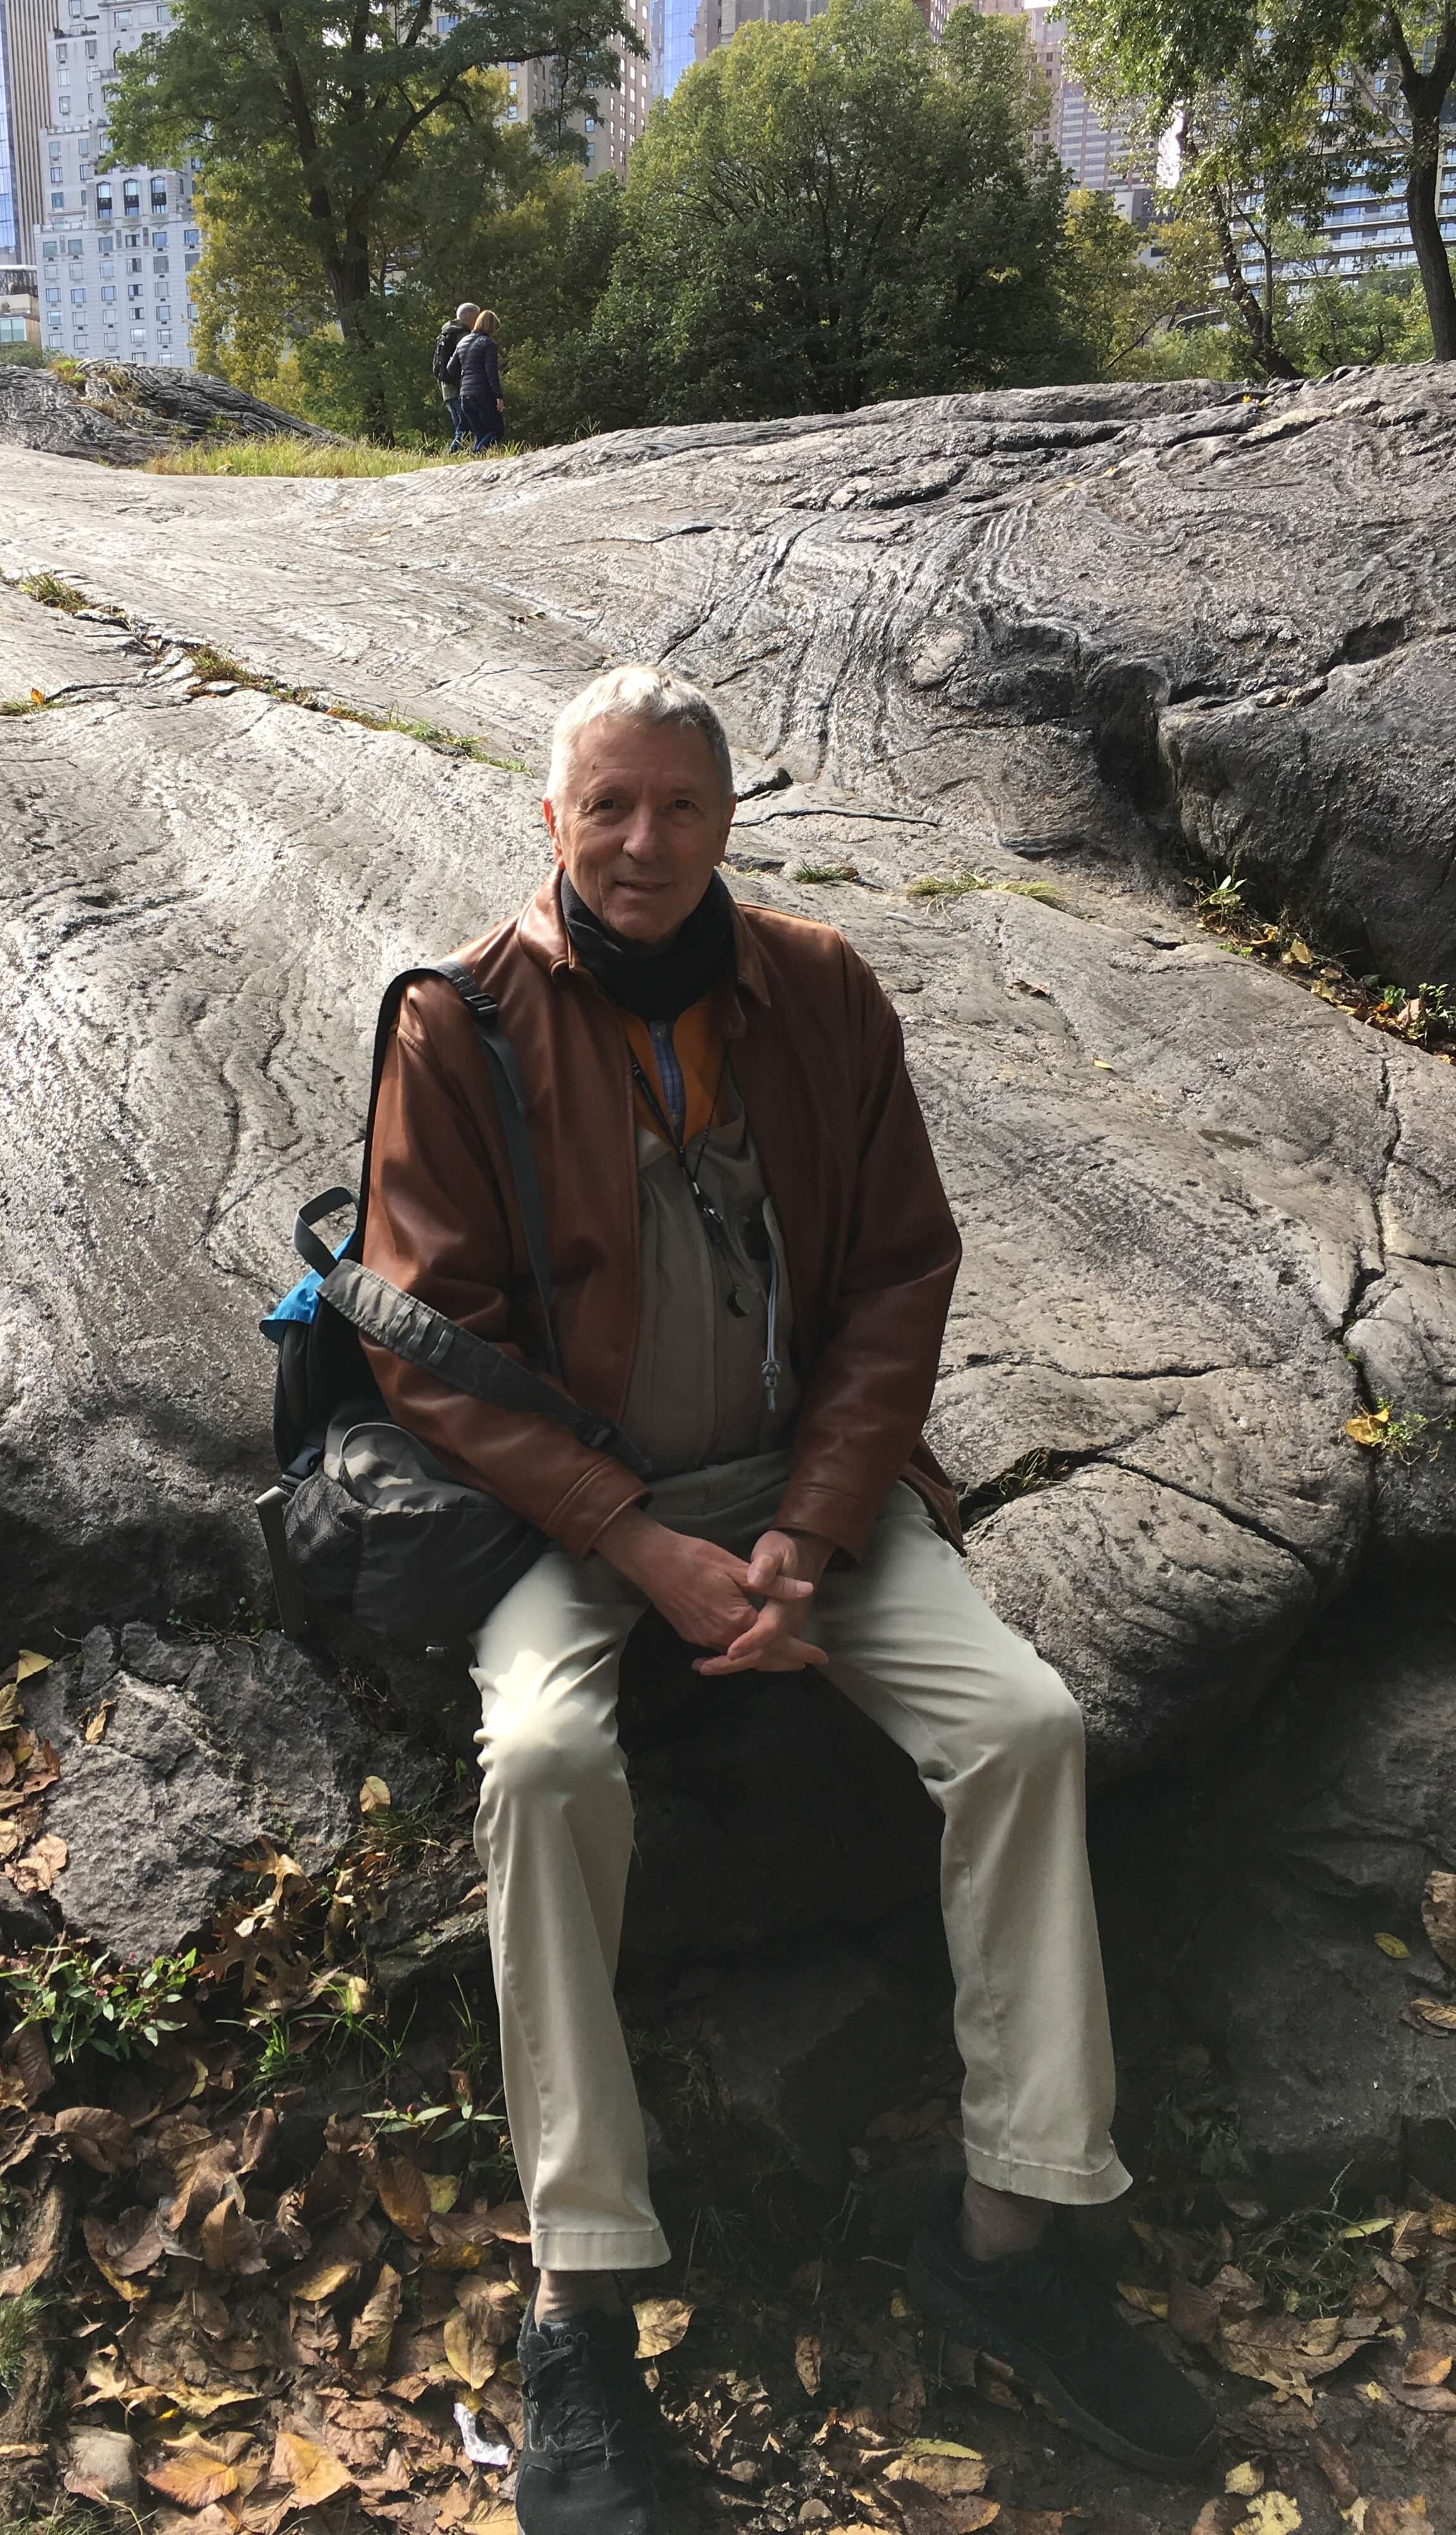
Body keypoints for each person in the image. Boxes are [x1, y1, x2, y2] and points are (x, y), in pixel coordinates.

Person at [360, 664, 1217, 2532]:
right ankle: (581, 2305)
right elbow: (432, 1350)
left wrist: (816, 1538)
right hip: (571, 1518)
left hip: (802, 1503)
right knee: (544, 1768)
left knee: (1023, 1729)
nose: (646, 843)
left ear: (727, 817)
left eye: (680, 806)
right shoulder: (462, 1025)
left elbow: (901, 1273)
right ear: (553, 821)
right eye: (610, 808)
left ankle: (1009, 2229)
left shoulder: (821, 993)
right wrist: (641, 1542)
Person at [452, 306, 505, 454]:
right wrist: (499, 396)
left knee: (480, 432)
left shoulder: (463, 342)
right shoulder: (488, 344)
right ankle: (477, 454)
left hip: (464, 396)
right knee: (497, 430)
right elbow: (491, 373)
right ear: (491, 328)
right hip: (482, 394)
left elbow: (451, 368)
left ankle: (476, 456)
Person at [435, 299, 480, 453]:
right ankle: (453, 456)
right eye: (478, 317)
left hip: (447, 389)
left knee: (463, 426)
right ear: (471, 319)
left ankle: (462, 455)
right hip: (459, 389)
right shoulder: (463, 336)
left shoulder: (446, 333)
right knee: (465, 427)